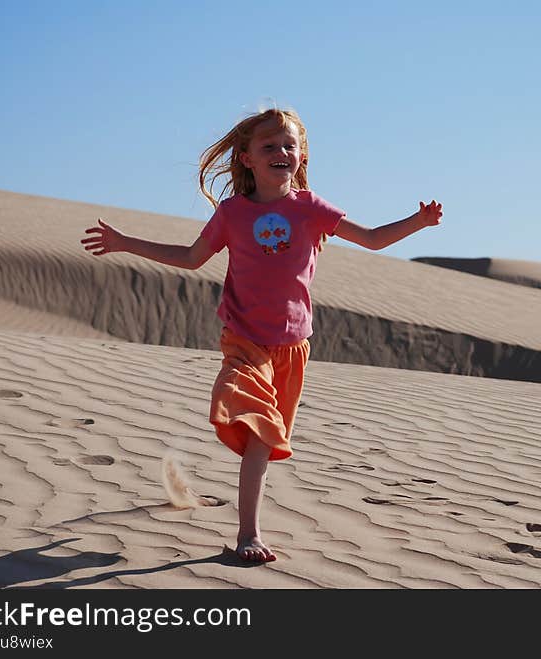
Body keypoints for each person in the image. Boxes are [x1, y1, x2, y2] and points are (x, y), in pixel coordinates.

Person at [81, 107, 442, 562]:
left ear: (302, 154)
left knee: (266, 442)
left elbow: (371, 238)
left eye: (289, 145)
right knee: (260, 431)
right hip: (245, 342)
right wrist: (126, 242)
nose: (281, 153)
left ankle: (246, 524)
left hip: (292, 348)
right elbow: (193, 258)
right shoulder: (233, 213)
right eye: (269, 146)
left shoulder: (310, 208)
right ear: (247, 158)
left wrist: (417, 221)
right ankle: (247, 535)